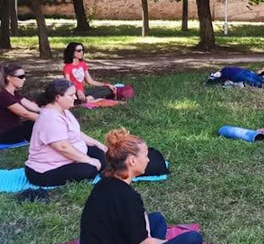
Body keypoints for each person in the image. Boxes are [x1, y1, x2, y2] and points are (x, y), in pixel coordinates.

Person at [80, 128, 202, 244]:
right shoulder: (126, 197)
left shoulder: (105, 184)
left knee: (157, 219)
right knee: (192, 239)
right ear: (132, 161)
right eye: (145, 156)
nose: (148, 160)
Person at [25, 79, 166, 187]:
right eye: (71, 95)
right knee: (90, 169)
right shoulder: (50, 118)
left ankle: (139, 161)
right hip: (44, 171)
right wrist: (88, 160)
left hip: (67, 156)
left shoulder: (63, 110)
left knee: (102, 155)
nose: (75, 97)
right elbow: (62, 147)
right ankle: (125, 169)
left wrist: (99, 144)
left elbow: (76, 133)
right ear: (57, 97)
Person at [0, 64, 39, 144]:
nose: (24, 79)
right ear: (9, 78)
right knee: (39, 124)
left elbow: (34, 107)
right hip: (5, 135)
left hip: (15, 130)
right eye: (21, 77)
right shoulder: (3, 95)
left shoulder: (14, 93)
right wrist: (49, 119)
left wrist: (52, 111)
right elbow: (25, 114)